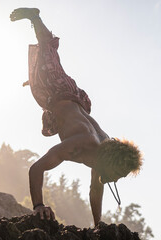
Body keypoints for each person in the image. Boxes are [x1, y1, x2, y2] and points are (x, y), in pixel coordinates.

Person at [10, 8, 143, 226]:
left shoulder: (101, 156)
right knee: (48, 49)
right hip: (59, 90)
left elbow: (95, 191)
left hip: (74, 101)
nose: (117, 179)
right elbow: (36, 168)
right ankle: (35, 17)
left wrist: (98, 226)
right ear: (110, 162)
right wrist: (38, 206)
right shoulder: (83, 142)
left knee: (41, 71)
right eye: (119, 173)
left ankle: (36, 76)